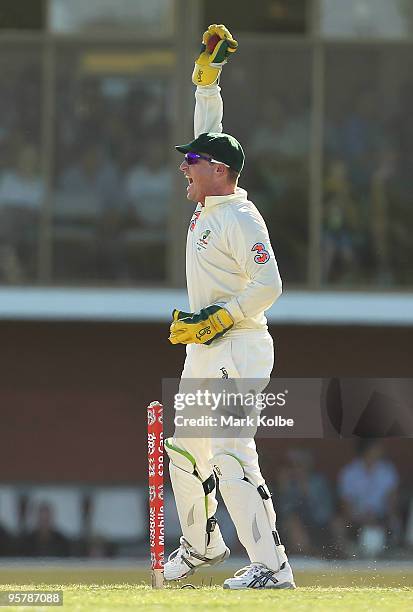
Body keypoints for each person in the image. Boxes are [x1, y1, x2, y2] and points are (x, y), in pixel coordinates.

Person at [163, 25, 295, 590]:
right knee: (187, 449)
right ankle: (202, 545)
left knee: (232, 451)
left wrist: (220, 317)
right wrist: (208, 78)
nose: (184, 167)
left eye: (192, 161)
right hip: (205, 348)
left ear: (218, 171)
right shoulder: (210, 194)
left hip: (238, 346)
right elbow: (210, 130)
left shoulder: (241, 217)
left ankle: (271, 565)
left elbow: (270, 285)